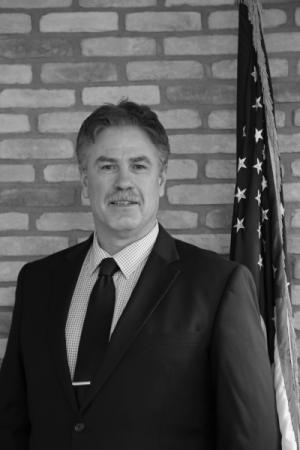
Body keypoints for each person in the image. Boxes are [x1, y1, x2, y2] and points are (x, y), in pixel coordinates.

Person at [0, 100, 279, 450]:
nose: (123, 182)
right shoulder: (38, 283)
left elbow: (251, 438)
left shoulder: (219, 285)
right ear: (85, 181)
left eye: (138, 166)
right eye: (106, 167)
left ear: (160, 180)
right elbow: (11, 424)